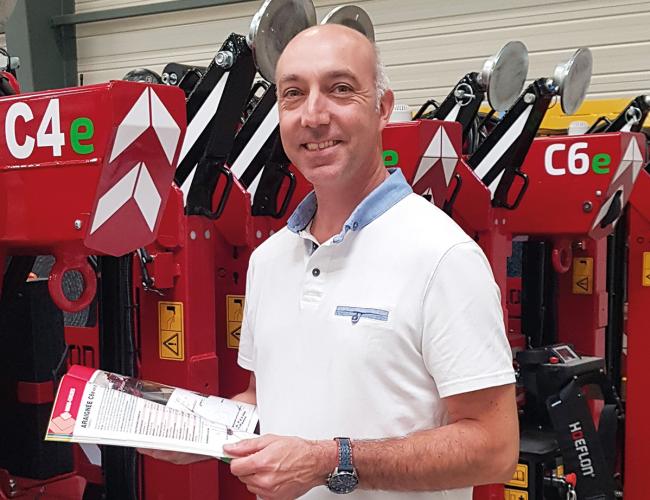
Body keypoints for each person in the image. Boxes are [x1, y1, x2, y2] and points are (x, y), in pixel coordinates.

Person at [143, 23, 519, 500]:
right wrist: (195, 432)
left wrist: (329, 462)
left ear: (383, 108)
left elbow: (494, 448)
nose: (314, 115)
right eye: (293, 94)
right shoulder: (269, 260)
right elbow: (265, 401)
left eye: (340, 89)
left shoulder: (443, 256)